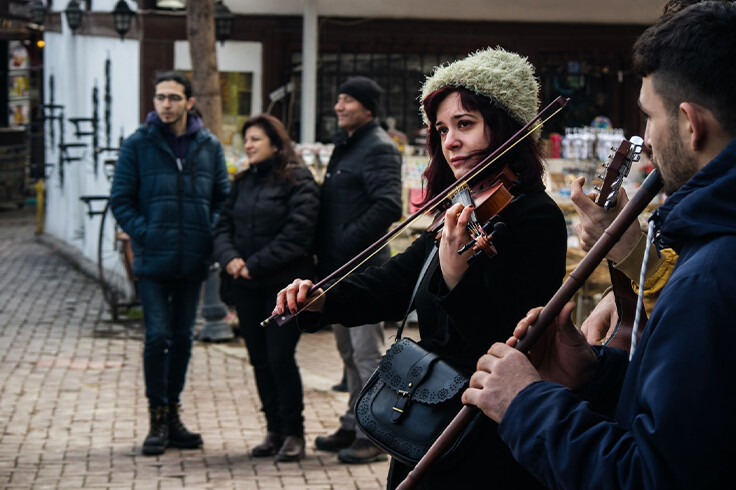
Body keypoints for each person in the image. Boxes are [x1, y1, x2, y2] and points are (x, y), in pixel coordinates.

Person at [463, 4, 736, 488]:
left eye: (649, 117)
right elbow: (696, 422)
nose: (646, 139)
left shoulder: (709, 278)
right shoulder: (707, 256)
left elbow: (651, 477)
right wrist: (597, 374)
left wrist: (528, 405)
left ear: (691, 125)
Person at [275, 47, 568, 488]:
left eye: (464, 125)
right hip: (431, 413)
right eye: (443, 129)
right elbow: (394, 282)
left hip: (485, 429)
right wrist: (321, 300)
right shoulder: (462, 208)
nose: (450, 141)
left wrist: (454, 278)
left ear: (506, 126)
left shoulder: (535, 217)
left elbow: (512, 339)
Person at [110, 71, 230, 455]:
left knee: (181, 339)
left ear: (189, 102)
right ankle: (156, 418)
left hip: (193, 259)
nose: (165, 104)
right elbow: (121, 200)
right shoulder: (137, 144)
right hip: (151, 261)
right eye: (160, 97)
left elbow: (222, 199)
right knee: (157, 336)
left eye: (174, 98)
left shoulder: (209, 145)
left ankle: (174, 414)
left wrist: (205, 234)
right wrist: (147, 233)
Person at [212, 114, 319, 462]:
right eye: (246, 139)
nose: (248, 145)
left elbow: (298, 233)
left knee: (279, 357)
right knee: (259, 358)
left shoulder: (298, 180)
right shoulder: (242, 182)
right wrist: (230, 258)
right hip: (246, 287)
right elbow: (223, 225)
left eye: (255, 139)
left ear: (275, 142)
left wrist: (251, 264)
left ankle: (294, 432)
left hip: (284, 289)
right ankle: (274, 429)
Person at [312, 76, 403, 464]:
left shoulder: (378, 148)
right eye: (338, 99)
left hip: (361, 269)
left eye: (347, 100)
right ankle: (353, 420)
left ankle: (373, 434)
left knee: (368, 354)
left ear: (368, 107)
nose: (338, 106)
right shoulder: (347, 145)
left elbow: (387, 206)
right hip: (337, 269)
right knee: (348, 352)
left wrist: (346, 242)